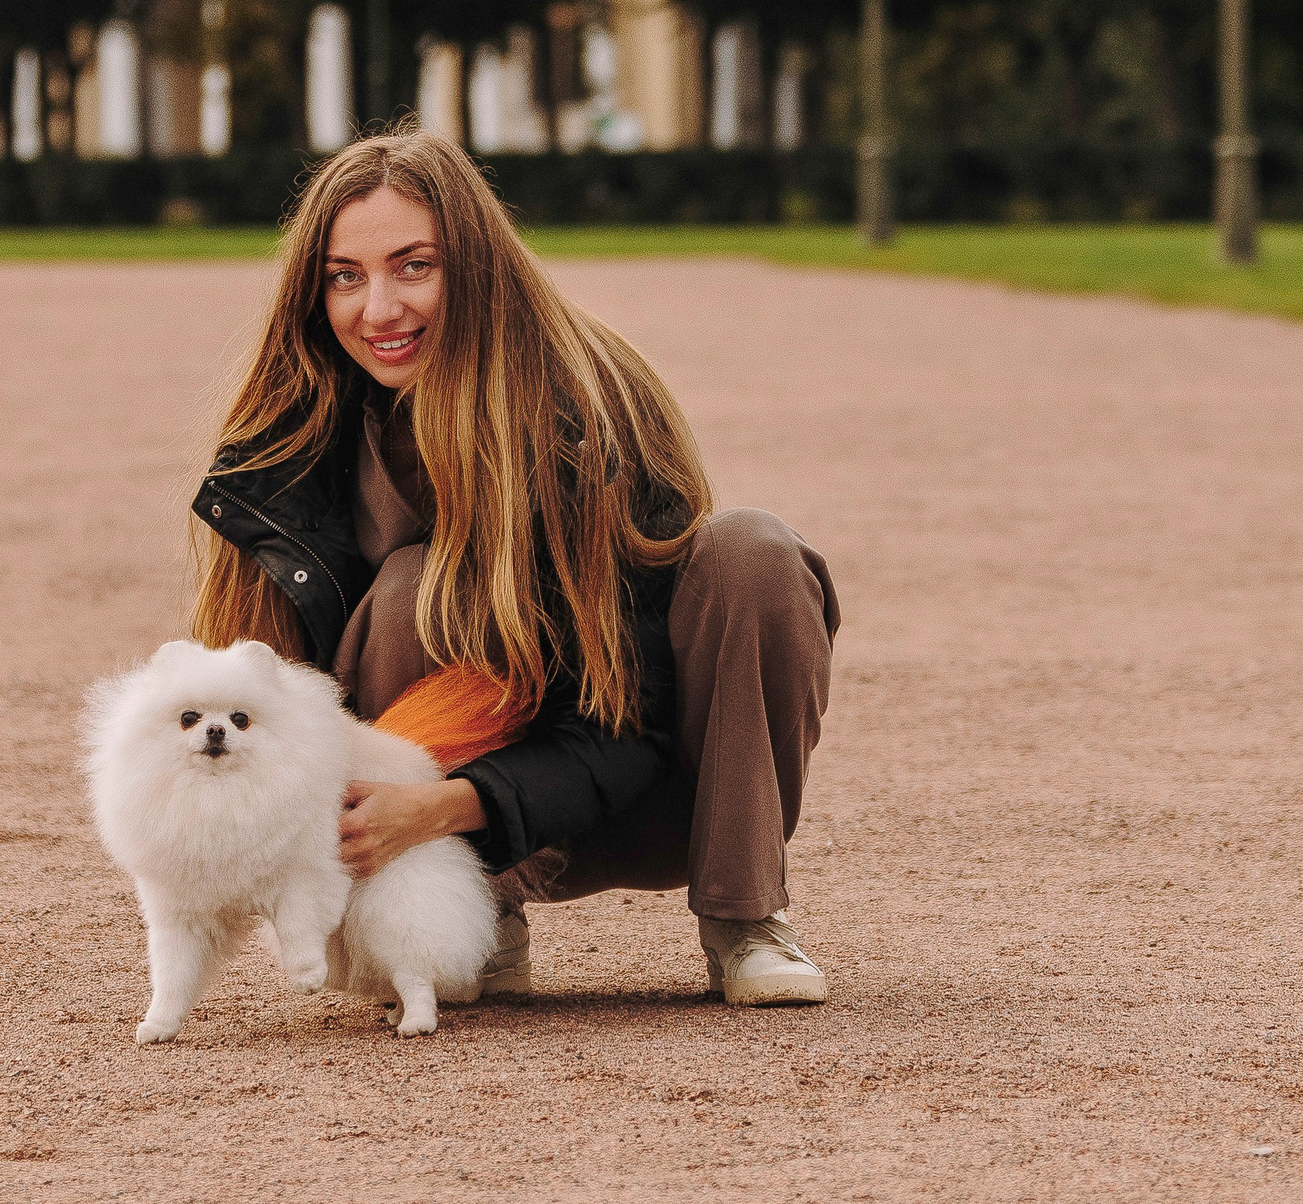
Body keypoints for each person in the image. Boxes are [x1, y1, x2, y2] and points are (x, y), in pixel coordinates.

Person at [189, 129, 840, 1007]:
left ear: (477, 265)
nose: (378, 309)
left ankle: (745, 918)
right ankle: (460, 921)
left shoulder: (592, 400)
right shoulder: (293, 432)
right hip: (407, 822)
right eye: (345, 276)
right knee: (415, 582)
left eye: (413, 266)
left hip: (639, 787)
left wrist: (449, 806)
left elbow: (629, 722)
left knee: (754, 553)